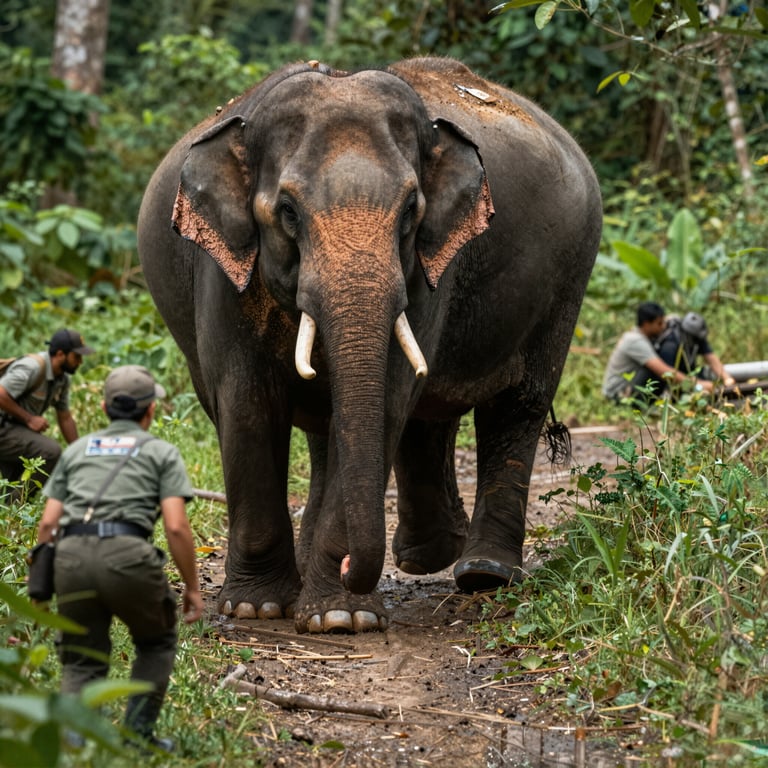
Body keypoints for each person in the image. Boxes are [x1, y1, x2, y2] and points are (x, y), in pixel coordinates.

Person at [36, 365, 203, 751]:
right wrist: (193, 587)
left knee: (81, 660)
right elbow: (176, 527)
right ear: (151, 412)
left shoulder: (77, 450)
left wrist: (42, 586)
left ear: (103, 407)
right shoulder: (160, 452)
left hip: (70, 558)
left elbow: (47, 525)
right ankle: (136, 737)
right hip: (129, 556)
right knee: (156, 643)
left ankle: (74, 743)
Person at [0, 328, 95, 501]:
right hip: (4, 428)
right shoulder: (32, 367)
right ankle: (16, 504)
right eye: (77, 356)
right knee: (50, 452)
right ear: (60, 354)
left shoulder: (62, 379)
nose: (80, 362)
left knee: (9, 484)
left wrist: (79, 451)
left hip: (14, 430)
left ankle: (9, 511)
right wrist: (29, 419)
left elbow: (65, 417)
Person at [602, 302, 718, 403]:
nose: (663, 327)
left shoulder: (644, 336)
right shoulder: (635, 341)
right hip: (619, 393)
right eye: (659, 323)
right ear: (647, 324)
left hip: (629, 386)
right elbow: (664, 371)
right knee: (661, 373)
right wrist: (698, 385)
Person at [655, 311, 735, 387]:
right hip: (672, 382)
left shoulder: (696, 337)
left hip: (690, 375)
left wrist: (726, 378)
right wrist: (698, 385)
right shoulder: (670, 345)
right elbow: (667, 373)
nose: (699, 341)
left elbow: (711, 358)